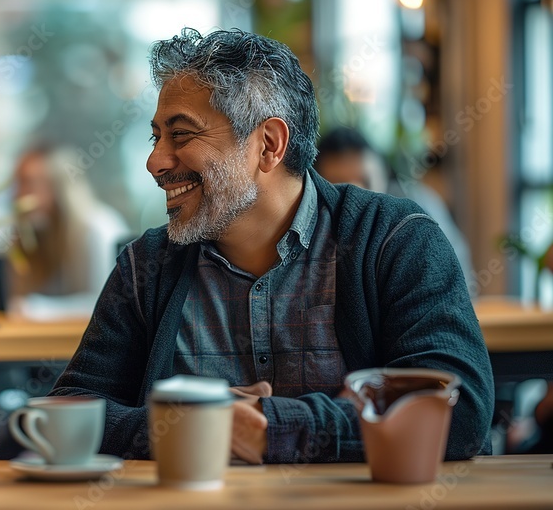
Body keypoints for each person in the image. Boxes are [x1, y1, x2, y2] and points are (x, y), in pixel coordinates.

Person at [49, 28, 494, 464]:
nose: (155, 161)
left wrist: (273, 426)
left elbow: (460, 409)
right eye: (156, 136)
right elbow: (68, 409)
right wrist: (195, 426)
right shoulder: (146, 265)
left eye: (181, 134)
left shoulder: (395, 240)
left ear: (269, 145)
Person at [314, 126, 476, 295]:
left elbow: (457, 273)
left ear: (384, 174)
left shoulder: (417, 210)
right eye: (342, 187)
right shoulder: (314, 233)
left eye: (366, 182)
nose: (357, 198)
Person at [7, 145, 130, 318]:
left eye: (29, 183)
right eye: (17, 183)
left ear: (58, 186)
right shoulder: (34, 234)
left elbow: (107, 305)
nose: (17, 195)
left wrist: (34, 308)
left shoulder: (99, 230)